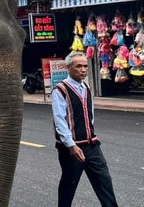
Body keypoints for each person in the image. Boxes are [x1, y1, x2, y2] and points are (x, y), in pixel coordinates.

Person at [51, 52, 118, 207]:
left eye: (85, 66)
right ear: (68, 68)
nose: (83, 69)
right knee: (69, 183)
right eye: (78, 66)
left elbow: (90, 114)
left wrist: (90, 134)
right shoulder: (60, 90)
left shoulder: (86, 87)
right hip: (72, 149)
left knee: (104, 181)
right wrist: (71, 145)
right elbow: (59, 120)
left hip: (92, 145)